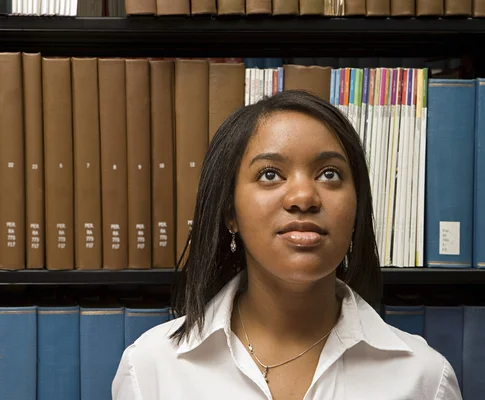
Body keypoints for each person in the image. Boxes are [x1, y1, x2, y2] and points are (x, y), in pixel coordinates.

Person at [112, 90, 462, 400]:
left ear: (357, 209)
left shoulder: (426, 380)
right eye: (269, 174)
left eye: (329, 174)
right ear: (230, 212)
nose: (303, 197)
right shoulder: (151, 369)